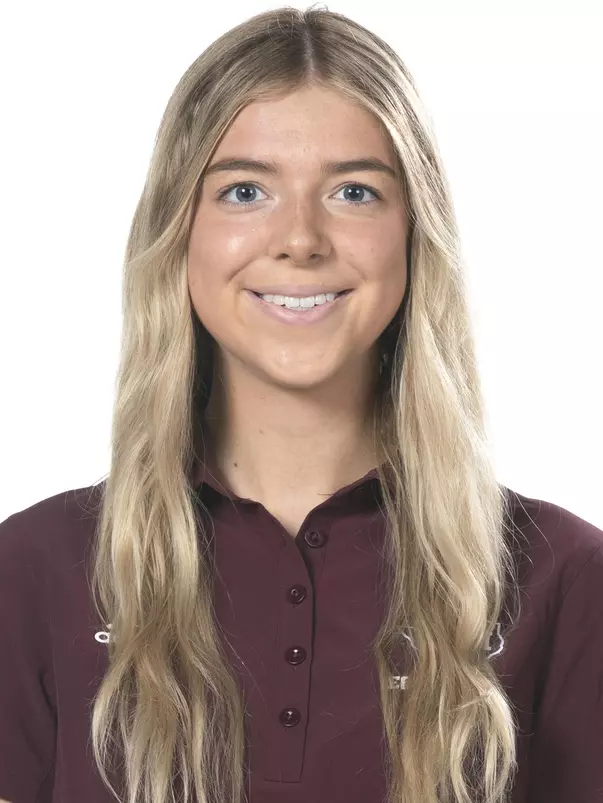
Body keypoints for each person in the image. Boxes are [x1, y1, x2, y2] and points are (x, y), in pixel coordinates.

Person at [1, 6, 602, 803]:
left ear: (413, 232)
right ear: (179, 230)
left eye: (354, 191)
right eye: (244, 190)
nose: (300, 238)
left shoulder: (562, 576)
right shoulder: (33, 569)